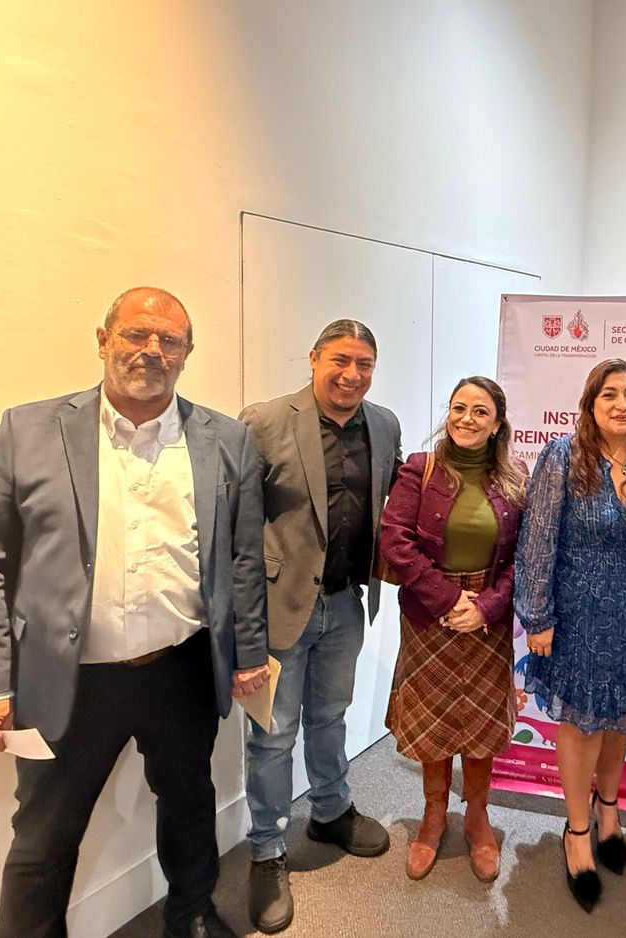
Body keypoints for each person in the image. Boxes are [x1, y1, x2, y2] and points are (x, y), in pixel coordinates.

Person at [0, 287, 268, 938]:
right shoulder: (28, 431)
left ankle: (192, 915)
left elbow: (242, 559)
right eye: (135, 334)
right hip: (68, 678)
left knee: (189, 802)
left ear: (187, 353)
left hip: (181, 669)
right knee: (44, 836)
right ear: (103, 340)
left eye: (169, 340)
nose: (152, 350)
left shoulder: (225, 440)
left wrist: (249, 653)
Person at [238, 319, 402, 934]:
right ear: (313, 359)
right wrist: (241, 621)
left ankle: (331, 811)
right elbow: (236, 526)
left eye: (364, 364)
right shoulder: (263, 422)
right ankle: (266, 849)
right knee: (273, 734)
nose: (351, 375)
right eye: (340, 360)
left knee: (331, 716)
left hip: (346, 604)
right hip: (278, 607)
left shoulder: (383, 425)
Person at [514, 358, 626, 913]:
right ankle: (577, 829)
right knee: (581, 723)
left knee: (619, 719)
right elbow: (537, 540)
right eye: (610, 394)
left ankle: (609, 810)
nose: (622, 404)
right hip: (578, 612)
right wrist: (537, 617)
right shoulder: (562, 456)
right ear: (590, 403)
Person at [377, 377, 528, 883]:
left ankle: (478, 817)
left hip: (487, 620)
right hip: (429, 615)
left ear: (497, 424)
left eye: (480, 411)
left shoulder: (515, 477)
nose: (466, 418)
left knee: (481, 721)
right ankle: (434, 816)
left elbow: (524, 556)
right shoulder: (419, 470)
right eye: (459, 408)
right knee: (436, 719)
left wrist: (486, 606)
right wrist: (447, 599)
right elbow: (395, 541)